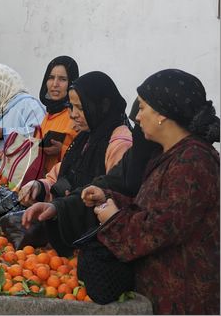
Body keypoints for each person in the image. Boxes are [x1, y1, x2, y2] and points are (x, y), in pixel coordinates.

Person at [81, 69, 220, 314]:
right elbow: (154, 208)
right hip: (162, 293)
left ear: (162, 115)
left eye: (143, 107)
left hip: (184, 300)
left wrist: (114, 219)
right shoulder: (171, 155)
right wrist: (109, 198)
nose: (138, 116)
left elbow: (160, 228)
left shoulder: (194, 161)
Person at [19, 71, 133, 256]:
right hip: (68, 238)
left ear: (101, 106)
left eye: (80, 107)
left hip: (94, 245)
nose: (73, 114)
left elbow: (114, 195)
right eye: (71, 107)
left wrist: (63, 206)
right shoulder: (86, 137)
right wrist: (39, 186)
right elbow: (59, 175)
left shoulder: (119, 143)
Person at [36, 56, 79, 174]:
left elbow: (85, 154)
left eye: (62, 79)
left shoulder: (76, 116)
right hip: (41, 185)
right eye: (51, 77)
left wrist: (62, 150)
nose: (55, 84)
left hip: (63, 186)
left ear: (71, 83)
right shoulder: (49, 113)